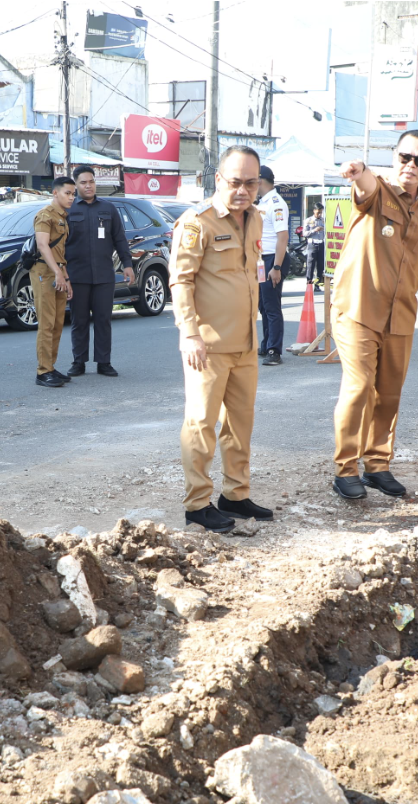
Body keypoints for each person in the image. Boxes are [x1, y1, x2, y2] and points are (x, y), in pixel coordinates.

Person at [330, 130, 418, 501]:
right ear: (394, 156)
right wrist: (359, 169)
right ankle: (346, 469)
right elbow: (364, 184)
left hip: (400, 313)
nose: (410, 166)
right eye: (405, 157)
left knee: (389, 394)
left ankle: (378, 465)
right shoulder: (377, 190)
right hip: (357, 308)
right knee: (359, 388)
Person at [169, 145, 273, 533]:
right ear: (219, 180)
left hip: (246, 342)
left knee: (240, 424)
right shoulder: (198, 223)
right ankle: (197, 503)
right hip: (207, 346)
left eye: (251, 183)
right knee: (201, 423)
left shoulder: (256, 219)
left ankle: (235, 494)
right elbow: (181, 280)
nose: (244, 190)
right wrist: (189, 333)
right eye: (235, 182)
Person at [65, 165, 133, 377]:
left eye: (91, 182)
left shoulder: (108, 209)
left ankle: (104, 362)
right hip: (77, 275)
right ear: (76, 185)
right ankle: (79, 362)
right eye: (83, 182)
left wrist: (127, 264)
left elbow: (120, 239)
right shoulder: (68, 210)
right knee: (79, 320)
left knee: (103, 319)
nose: (88, 186)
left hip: (104, 274)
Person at [33, 176, 75, 388]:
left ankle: (51, 366)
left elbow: (60, 251)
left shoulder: (62, 217)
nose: (71, 197)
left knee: (58, 322)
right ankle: (43, 371)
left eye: (73, 194)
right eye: (68, 193)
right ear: (55, 193)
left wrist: (65, 278)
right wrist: (57, 273)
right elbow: (43, 245)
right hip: (44, 272)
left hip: (57, 272)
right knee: (47, 322)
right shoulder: (44, 216)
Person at [255, 165, 290, 366]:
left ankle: (274, 350)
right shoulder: (263, 202)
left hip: (272, 260)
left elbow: (283, 236)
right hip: (262, 260)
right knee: (263, 305)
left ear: (260, 181)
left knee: (272, 307)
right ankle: (266, 342)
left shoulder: (276, 203)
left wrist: (276, 267)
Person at [303, 201, 325, 290]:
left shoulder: (324, 220)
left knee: (320, 265)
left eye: (321, 212)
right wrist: (314, 230)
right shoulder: (308, 221)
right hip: (312, 244)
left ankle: (318, 284)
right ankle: (309, 284)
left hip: (321, 243)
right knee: (310, 265)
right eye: (318, 212)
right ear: (314, 211)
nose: (319, 214)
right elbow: (304, 233)